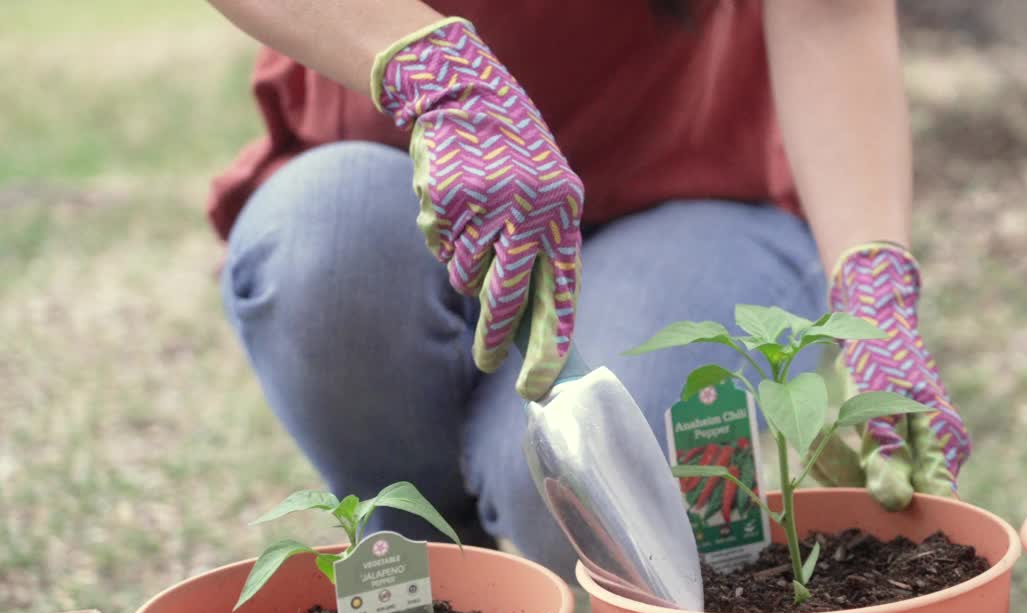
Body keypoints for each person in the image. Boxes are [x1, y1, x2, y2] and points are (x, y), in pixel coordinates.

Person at [206, 0, 970, 579]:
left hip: (686, 175)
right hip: (408, 175)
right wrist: (434, 70)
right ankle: (423, 552)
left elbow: (828, 15)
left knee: (595, 476)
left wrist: (874, 285)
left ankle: (577, 564)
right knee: (323, 249)